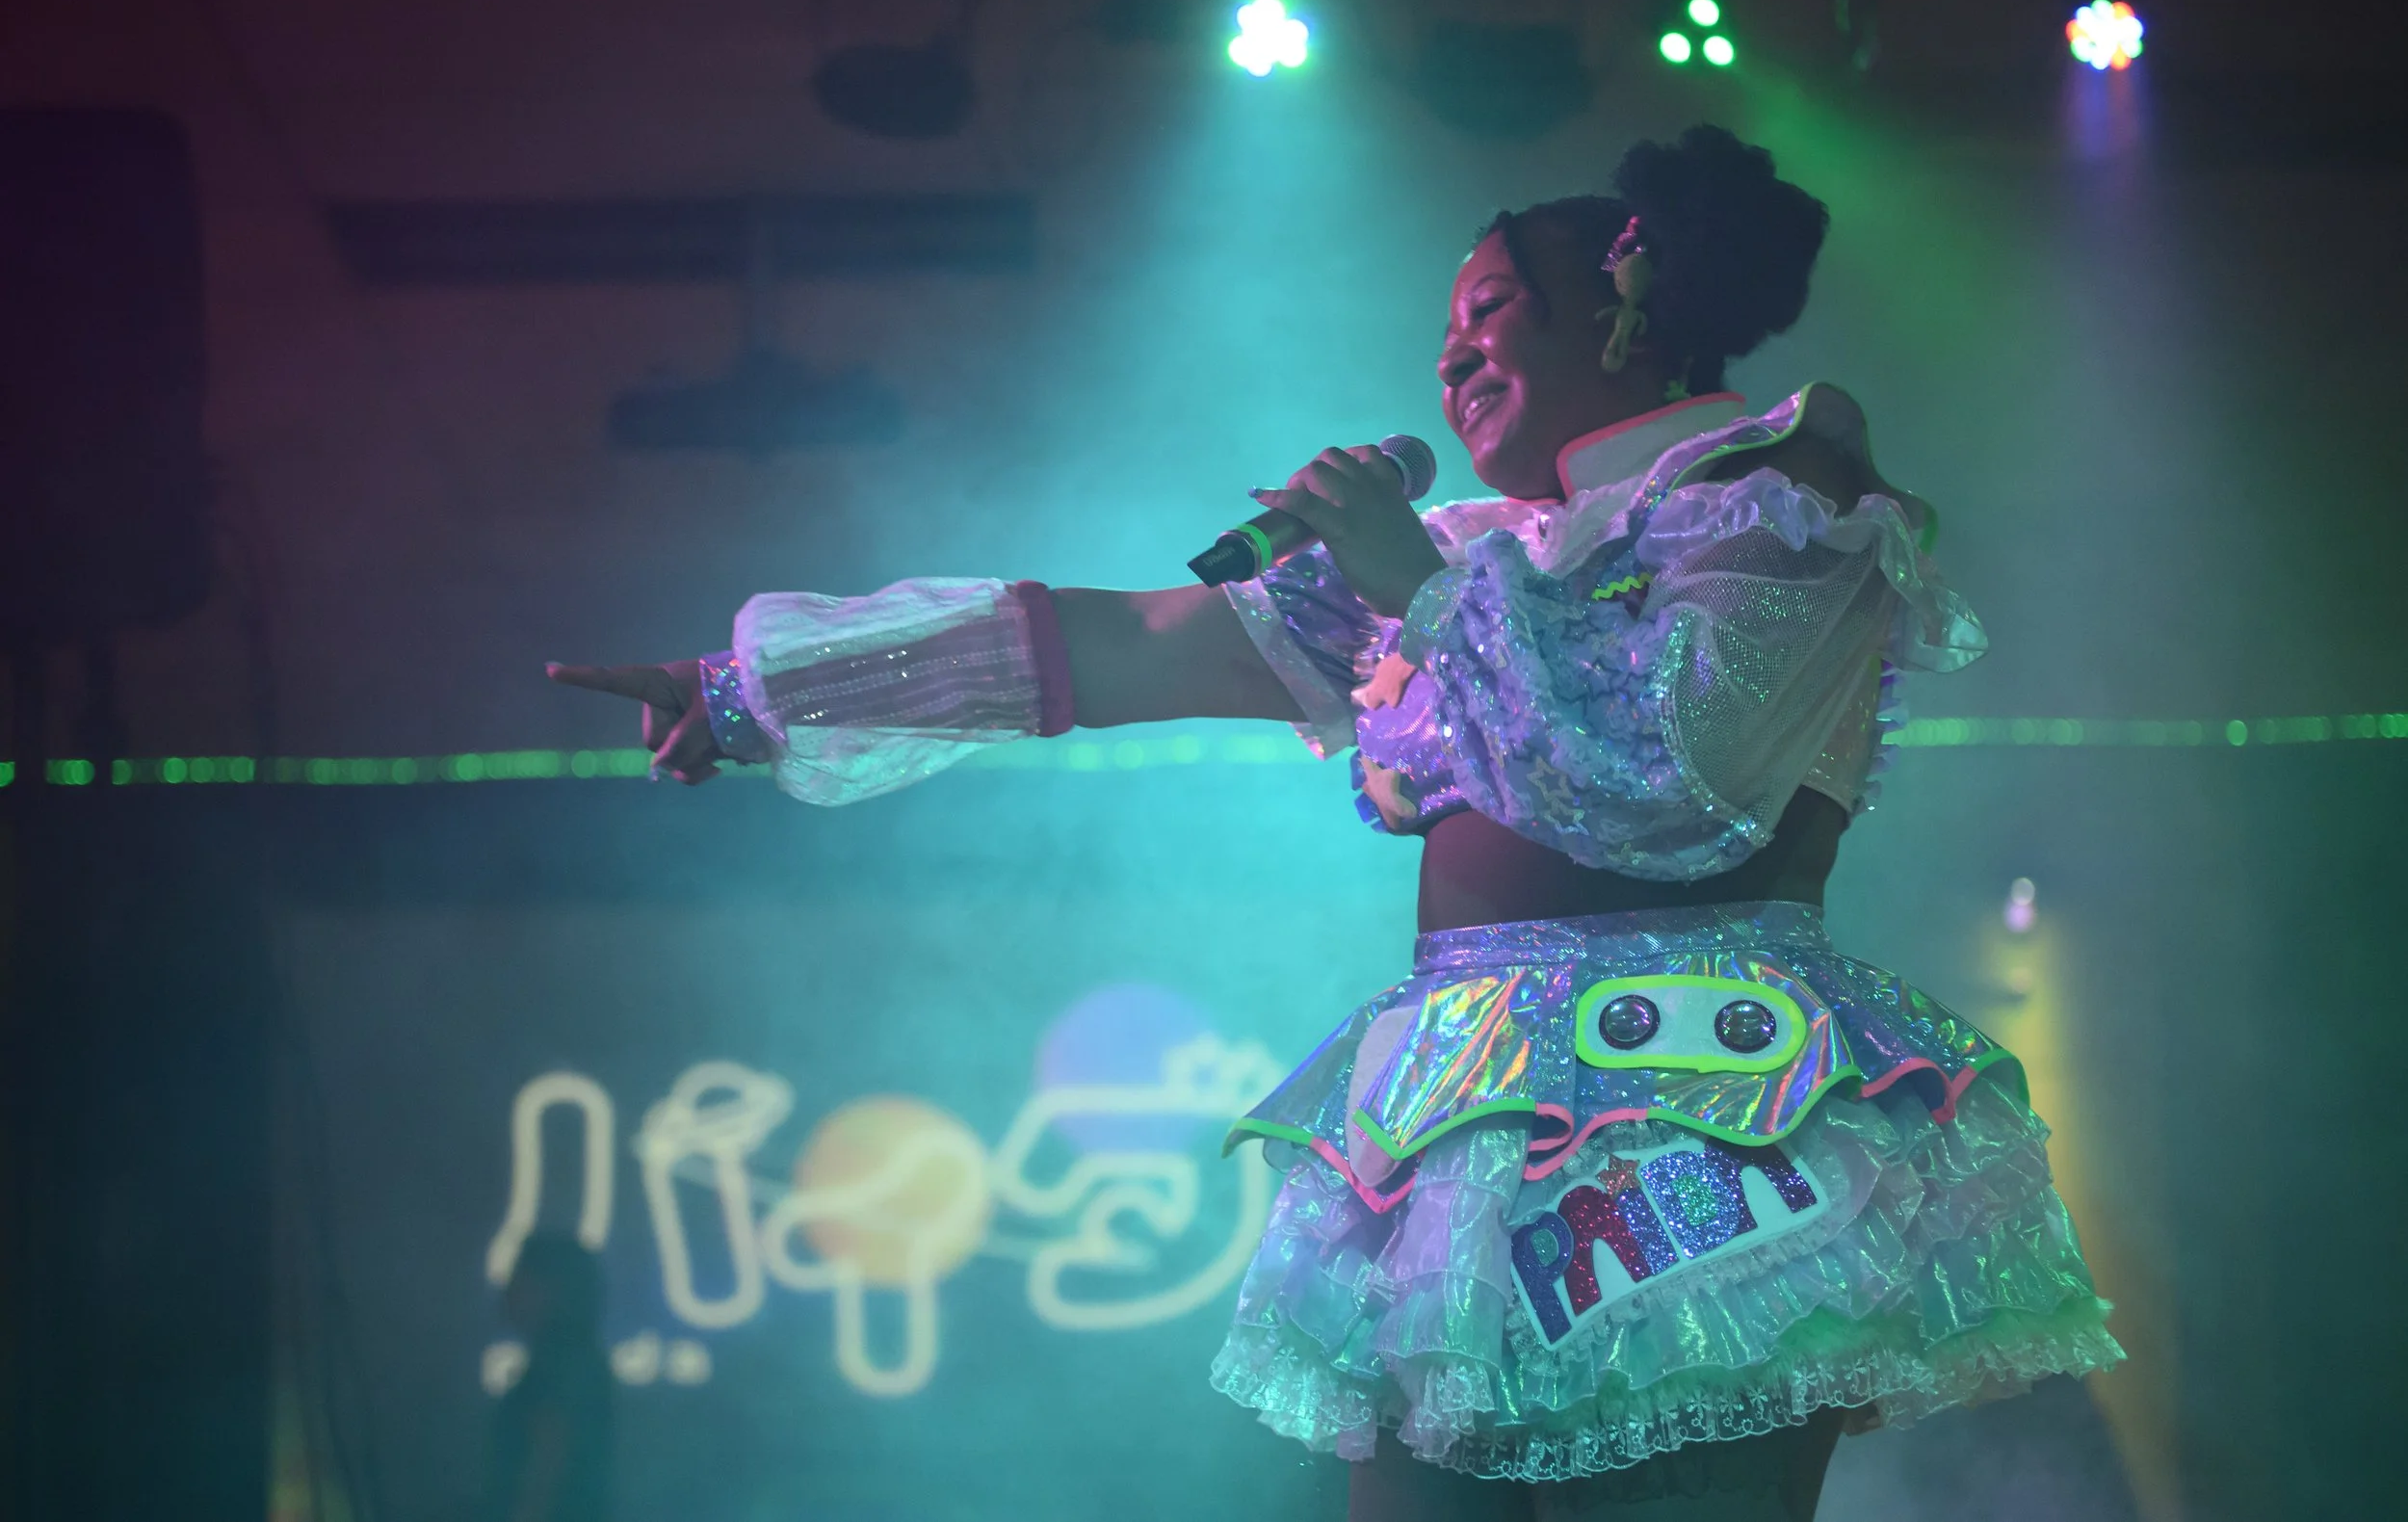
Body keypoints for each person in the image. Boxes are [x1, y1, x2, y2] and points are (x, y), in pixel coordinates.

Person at [550, 126, 2119, 1520]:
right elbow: (1124, 648)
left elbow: (1678, 778)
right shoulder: (1463, 554)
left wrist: (1422, 588)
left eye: (1490, 312)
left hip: (1712, 1111)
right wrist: (760, 690)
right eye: (1444, 330)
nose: (1450, 362)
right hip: (1467, 1112)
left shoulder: (1773, 491)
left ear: (1624, 297)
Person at [485, 1232, 615, 1522]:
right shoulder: (574, 1363)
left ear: (555, 1291)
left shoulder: (564, 1368)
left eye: (519, 1280)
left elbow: (545, 1466)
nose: (507, 1292)